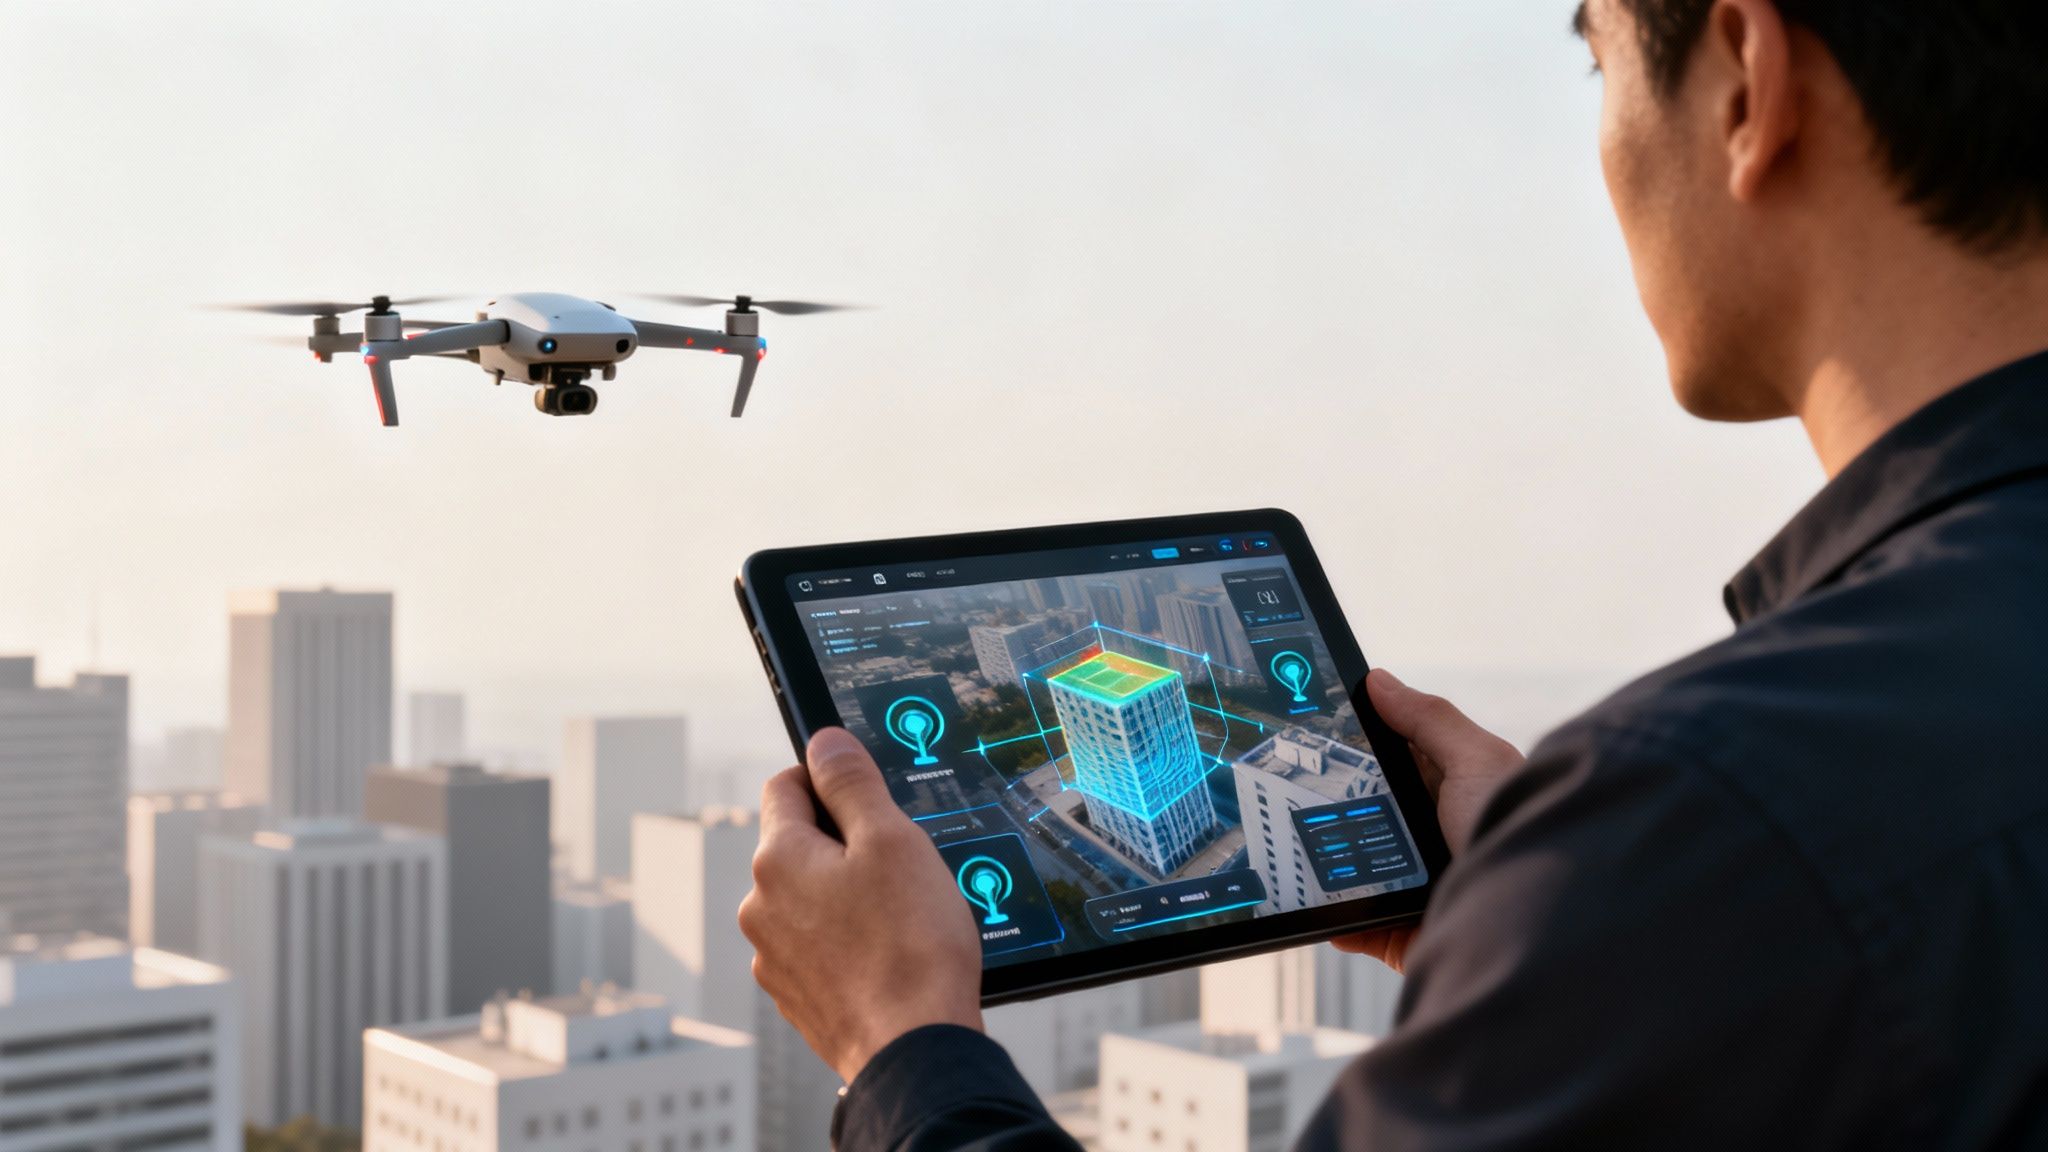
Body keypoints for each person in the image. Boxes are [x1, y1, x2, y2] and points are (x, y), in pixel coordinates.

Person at [738, 0, 2048, 1145]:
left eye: (1599, 64)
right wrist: (1549, 952)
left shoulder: (1719, 813)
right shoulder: (1793, 802)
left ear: (1749, 83)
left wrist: (903, 1046)